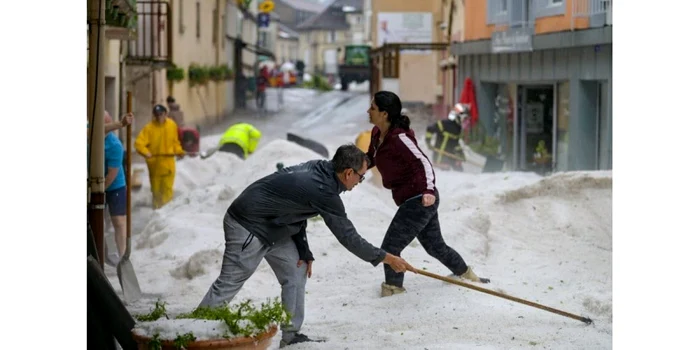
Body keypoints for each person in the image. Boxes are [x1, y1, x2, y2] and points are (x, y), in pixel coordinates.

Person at [197, 144, 414, 348]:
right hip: (247, 224)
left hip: (273, 225)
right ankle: (191, 333)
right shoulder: (324, 189)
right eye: (361, 176)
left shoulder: (323, 171)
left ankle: (291, 336)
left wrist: (304, 251)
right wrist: (387, 257)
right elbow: (348, 237)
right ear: (348, 173)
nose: (360, 181)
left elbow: (297, 210)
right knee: (231, 281)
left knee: (296, 270)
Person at [365, 91, 491, 298]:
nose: (368, 111)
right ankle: (466, 274)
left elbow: (423, 162)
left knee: (391, 246)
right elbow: (371, 159)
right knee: (435, 245)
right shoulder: (377, 134)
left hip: (421, 199)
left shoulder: (400, 138)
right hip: (410, 199)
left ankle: (393, 290)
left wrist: (429, 191)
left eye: (373, 107)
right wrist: (351, 169)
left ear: (385, 114)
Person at [134, 104, 185, 209]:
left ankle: (167, 214)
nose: (158, 117)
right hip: (155, 166)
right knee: (157, 192)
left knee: (167, 191)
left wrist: (179, 151)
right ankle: (157, 214)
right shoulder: (149, 128)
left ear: (165, 114)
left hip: (168, 164)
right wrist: (146, 152)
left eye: (161, 114)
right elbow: (138, 144)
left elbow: (175, 142)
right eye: (156, 115)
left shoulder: (172, 125)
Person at [102, 111, 128, 267]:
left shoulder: (115, 145)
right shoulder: (87, 133)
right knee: (95, 221)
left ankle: (123, 255)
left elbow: (111, 175)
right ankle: (101, 252)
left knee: (118, 220)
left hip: (114, 184)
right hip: (91, 181)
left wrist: (98, 191)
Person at [425, 103, 469, 171]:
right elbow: (430, 129)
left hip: (450, 155)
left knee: (460, 171)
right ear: (458, 116)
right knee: (445, 174)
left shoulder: (458, 128)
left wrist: (461, 155)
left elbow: (455, 143)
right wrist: (428, 143)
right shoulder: (444, 124)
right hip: (440, 156)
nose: (465, 121)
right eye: (464, 118)